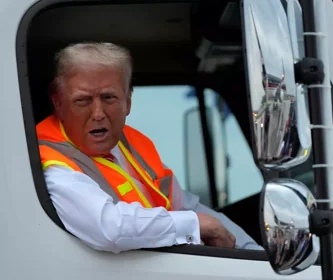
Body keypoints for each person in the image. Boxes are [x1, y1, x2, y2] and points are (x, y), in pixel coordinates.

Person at [36, 42, 263, 254]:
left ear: (128, 101)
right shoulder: (51, 162)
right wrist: (193, 225)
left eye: (109, 97)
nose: (98, 114)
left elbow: (186, 205)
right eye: (82, 100)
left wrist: (252, 253)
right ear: (58, 103)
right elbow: (109, 228)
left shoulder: (131, 145)